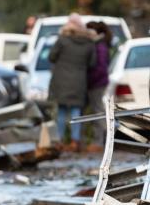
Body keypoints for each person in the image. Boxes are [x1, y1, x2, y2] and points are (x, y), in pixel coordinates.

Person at [48, 13, 96, 152]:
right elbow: (92, 63)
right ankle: (75, 141)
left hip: (61, 81)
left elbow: (51, 57)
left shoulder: (62, 40)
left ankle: (60, 140)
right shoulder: (89, 42)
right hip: (79, 80)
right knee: (76, 111)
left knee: (62, 111)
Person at [85, 21, 112, 153]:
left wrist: (90, 80)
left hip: (97, 83)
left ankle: (101, 140)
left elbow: (100, 68)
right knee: (98, 110)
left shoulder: (99, 46)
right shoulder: (101, 44)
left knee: (98, 112)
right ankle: (102, 140)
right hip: (99, 81)